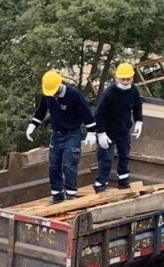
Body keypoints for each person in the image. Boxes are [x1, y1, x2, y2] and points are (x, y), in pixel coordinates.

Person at [26, 70, 97, 202]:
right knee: (54, 165)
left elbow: (86, 113)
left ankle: (71, 194)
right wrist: (32, 125)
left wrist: (91, 132)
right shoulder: (48, 95)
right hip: (56, 134)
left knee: (68, 164)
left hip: (72, 133)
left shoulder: (73, 95)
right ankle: (57, 195)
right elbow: (41, 112)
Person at [93, 63, 144, 193]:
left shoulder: (133, 90)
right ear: (117, 78)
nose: (125, 82)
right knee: (106, 159)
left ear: (132, 77)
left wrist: (139, 121)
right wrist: (101, 133)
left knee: (124, 156)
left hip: (123, 130)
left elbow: (137, 106)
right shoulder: (109, 93)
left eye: (128, 79)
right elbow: (99, 114)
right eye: (123, 79)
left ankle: (123, 182)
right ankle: (100, 185)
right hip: (108, 132)